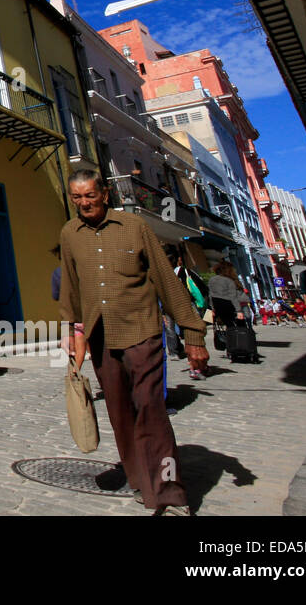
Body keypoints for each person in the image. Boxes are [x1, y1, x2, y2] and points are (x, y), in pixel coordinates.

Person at [59, 169, 207, 516]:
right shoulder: (70, 233)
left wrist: (193, 334)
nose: (83, 203)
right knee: (120, 413)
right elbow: (70, 283)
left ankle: (170, 493)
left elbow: (166, 282)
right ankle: (141, 480)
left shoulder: (134, 227)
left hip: (141, 332)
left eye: (89, 196)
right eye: (76, 198)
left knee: (150, 408)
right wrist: (70, 330)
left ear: (105, 193)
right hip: (101, 337)